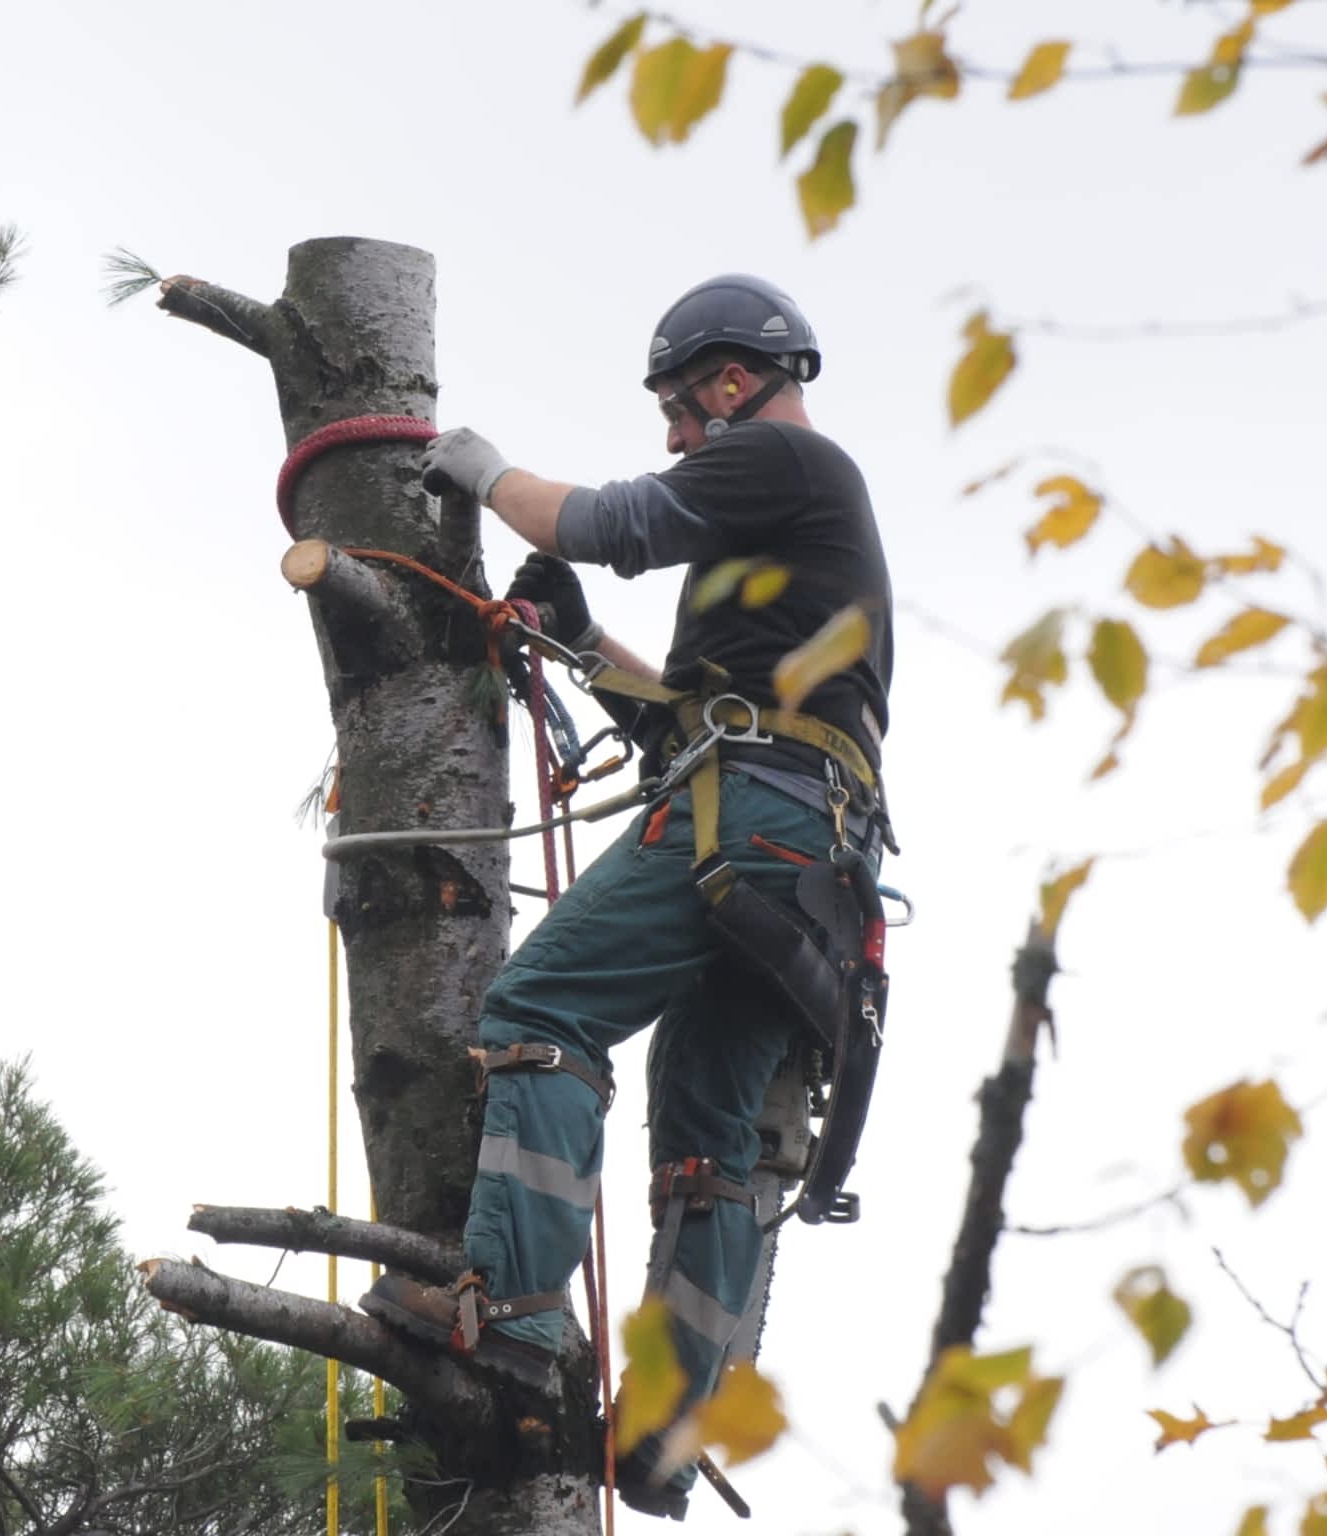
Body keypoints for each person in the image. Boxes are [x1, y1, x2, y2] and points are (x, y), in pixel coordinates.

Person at [360, 274, 895, 1519]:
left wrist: (486, 475)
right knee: (708, 1136)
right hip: (808, 857)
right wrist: (583, 640)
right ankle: (661, 1427)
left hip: (749, 822)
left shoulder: (782, 457)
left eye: (677, 407)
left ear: (730, 382)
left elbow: (611, 520)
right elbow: (696, 723)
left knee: (539, 1005)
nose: (673, 434)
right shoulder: (800, 539)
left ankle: (509, 1310)